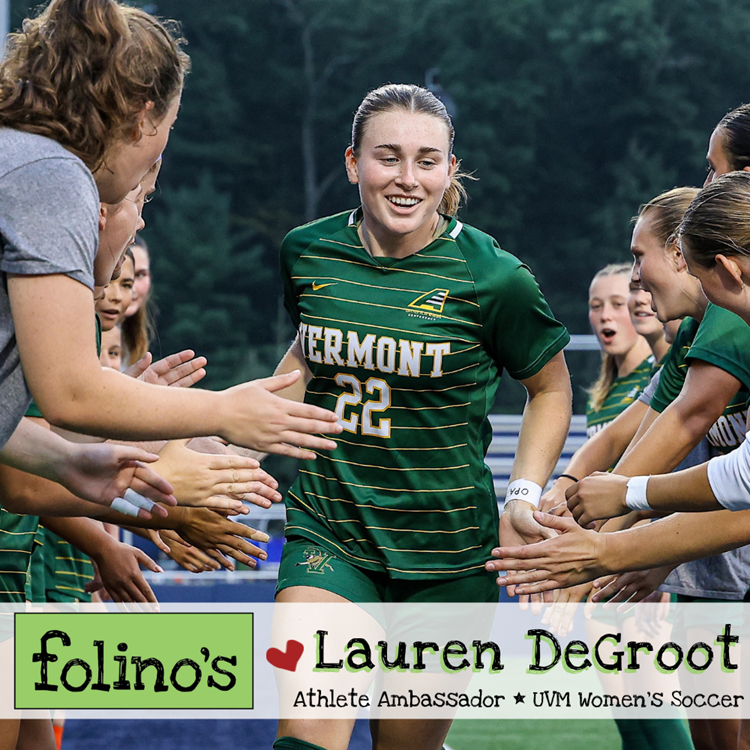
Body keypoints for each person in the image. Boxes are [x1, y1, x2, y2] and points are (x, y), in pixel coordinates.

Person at [270, 83, 572, 750]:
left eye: (427, 160)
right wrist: (224, 447)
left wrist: (522, 495)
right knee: (308, 731)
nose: (408, 179)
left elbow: (550, 389)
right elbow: (309, 354)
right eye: (388, 158)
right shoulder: (306, 252)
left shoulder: (495, 278)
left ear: (450, 170)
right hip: (332, 529)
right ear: (353, 163)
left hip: (448, 556)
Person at [0, 0, 341, 504]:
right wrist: (225, 410)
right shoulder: (52, 174)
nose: (155, 165)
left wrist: (66, 460)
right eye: (168, 131)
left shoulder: (19, 155)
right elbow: (70, 391)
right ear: (142, 119)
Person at [585, 263, 655, 439]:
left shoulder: (660, 375)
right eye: (596, 306)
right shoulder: (598, 396)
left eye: (617, 304)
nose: (605, 315)